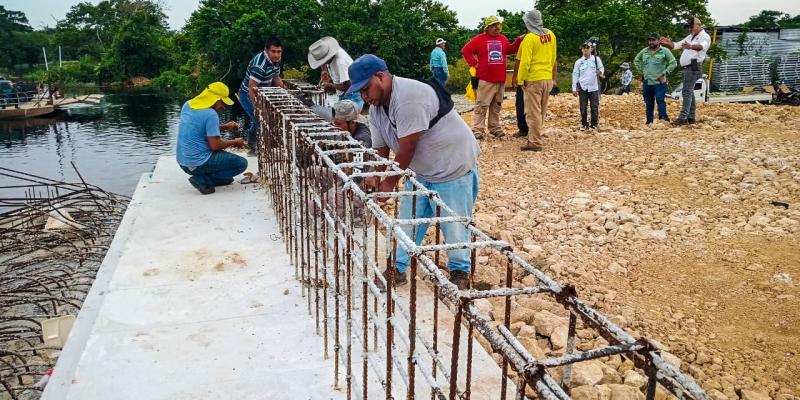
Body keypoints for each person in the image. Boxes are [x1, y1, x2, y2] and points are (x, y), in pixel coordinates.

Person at [344, 54, 480, 290]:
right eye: (360, 92)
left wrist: (389, 183)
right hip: (421, 172)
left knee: (454, 224)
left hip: (452, 167)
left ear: (380, 77)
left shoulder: (408, 97)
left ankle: (460, 272)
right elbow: (381, 148)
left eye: (366, 89)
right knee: (407, 221)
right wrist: (375, 174)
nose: (364, 96)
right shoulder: (376, 110)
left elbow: (407, 146)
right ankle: (397, 268)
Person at [176, 82, 247, 195]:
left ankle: (210, 177)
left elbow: (199, 128)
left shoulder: (187, 105)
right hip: (197, 163)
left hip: (183, 163)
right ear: (216, 99)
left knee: (227, 179)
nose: (223, 106)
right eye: (222, 102)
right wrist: (235, 141)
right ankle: (202, 179)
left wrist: (225, 127)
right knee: (241, 164)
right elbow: (215, 145)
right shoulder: (211, 114)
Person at [461, 15, 523, 139]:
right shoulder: (479, 39)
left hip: (500, 79)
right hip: (485, 79)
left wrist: (518, 40)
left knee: (496, 106)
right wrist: (474, 63)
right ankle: (478, 129)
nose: (497, 27)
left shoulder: (503, 38)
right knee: (482, 105)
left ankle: (494, 128)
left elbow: (510, 50)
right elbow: (465, 50)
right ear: (487, 28)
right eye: (493, 25)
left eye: (498, 25)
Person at [516, 9, 558, 152]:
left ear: (529, 22)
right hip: (547, 78)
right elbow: (553, 58)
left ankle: (535, 142)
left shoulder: (529, 38)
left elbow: (525, 62)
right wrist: (552, 77)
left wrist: (521, 79)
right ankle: (535, 137)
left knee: (533, 112)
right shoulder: (550, 35)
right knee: (541, 111)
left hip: (533, 79)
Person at [660, 17, 711, 126]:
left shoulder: (704, 36)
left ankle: (683, 118)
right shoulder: (691, 36)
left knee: (686, 91)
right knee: (689, 91)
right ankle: (691, 117)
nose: (689, 29)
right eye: (688, 27)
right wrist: (668, 43)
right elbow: (676, 45)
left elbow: (702, 47)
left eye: (691, 27)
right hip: (688, 68)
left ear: (698, 25)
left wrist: (690, 46)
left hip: (693, 66)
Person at [239, 37, 284, 154]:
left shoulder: (276, 60)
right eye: (273, 51)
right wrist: (256, 107)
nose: (276, 55)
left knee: (259, 120)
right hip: (247, 94)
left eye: (279, 51)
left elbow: (275, 77)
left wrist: (285, 91)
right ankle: (252, 147)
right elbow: (252, 87)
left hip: (261, 93)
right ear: (266, 50)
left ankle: (256, 145)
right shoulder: (260, 65)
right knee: (259, 119)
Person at [308, 36, 364, 111]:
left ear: (327, 57)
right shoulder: (328, 52)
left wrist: (330, 85)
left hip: (352, 95)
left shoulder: (340, 62)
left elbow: (348, 87)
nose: (321, 63)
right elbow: (323, 61)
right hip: (342, 94)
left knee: (347, 117)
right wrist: (324, 71)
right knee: (338, 116)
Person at [634, 33, 677, 125]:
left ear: (658, 41)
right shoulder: (644, 51)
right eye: (650, 40)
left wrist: (664, 73)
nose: (651, 42)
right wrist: (642, 71)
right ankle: (649, 122)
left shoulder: (665, 51)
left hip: (659, 82)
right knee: (649, 103)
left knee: (660, 99)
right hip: (647, 81)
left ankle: (663, 118)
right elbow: (636, 60)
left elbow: (673, 63)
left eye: (653, 40)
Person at [572, 42, 604, 129]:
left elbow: (601, 68)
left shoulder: (596, 59)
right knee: (583, 107)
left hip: (594, 87)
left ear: (591, 49)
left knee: (594, 106)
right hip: (583, 87)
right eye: (584, 48)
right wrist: (574, 88)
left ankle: (594, 124)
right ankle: (584, 123)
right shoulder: (578, 62)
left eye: (587, 48)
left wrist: (600, 72)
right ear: (582, 50)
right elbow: (575, 75)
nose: (585, 49)